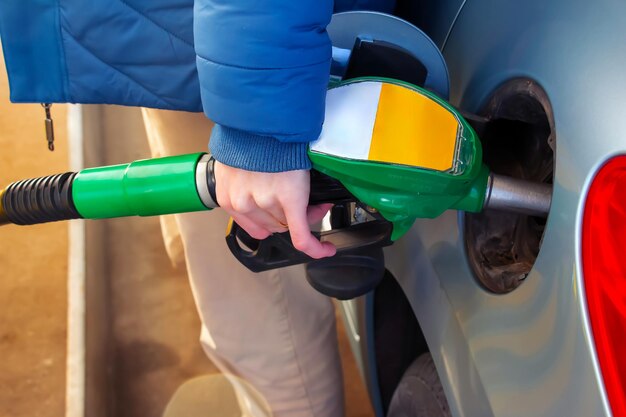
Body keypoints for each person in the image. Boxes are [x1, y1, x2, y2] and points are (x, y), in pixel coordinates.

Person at [0, 0, 395, 415]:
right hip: (199, 43)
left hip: (243, 63)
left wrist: (259, 130)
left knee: (267, 337)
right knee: (242, 303)